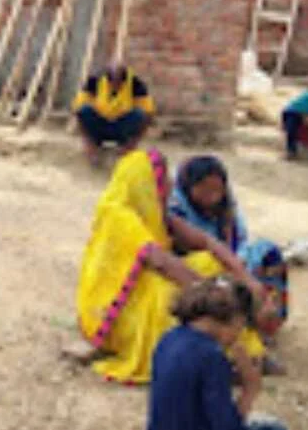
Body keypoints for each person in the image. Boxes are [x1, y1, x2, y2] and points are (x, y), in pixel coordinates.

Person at [75, 149, 266, 385]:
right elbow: (160, 262)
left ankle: (235, 347)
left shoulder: (154, 209)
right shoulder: (119, 215)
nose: (169, 184)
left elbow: (205, 241)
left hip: (146, 283)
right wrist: (210, 292)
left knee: (209, 262)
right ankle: (215, 357)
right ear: (144, 181)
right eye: (163, 178)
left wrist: (243, 276)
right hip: (119, 304)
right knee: (172, 300)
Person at [144, 278, 289, 430]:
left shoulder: (170, 337)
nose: (239, 335)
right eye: (241, 326)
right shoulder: (211, 356)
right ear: (235, 319)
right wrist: (250, 389)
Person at [168, 157, 289, 340]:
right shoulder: (176, 210)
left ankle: (267, 322)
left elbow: (239, 237)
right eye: (205, 189)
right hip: (198, 266)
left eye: (217, 190)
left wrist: (239, 259)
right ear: (189, 186)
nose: (213, 196)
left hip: (230, 258)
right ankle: (242, 328)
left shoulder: (226, 207)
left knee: (268, 253)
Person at [73, 64, 157, 164]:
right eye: (112, 83)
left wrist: (133, 143)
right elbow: (77, 109)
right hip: (99, 126)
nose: (115, 86)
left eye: (119, 83)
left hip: (121, 128)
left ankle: (124, 146)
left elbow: (149, 114)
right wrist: (87, 142)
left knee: (139, 114)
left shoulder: (136, 84)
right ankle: (94, 145)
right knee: (84, 110)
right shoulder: (94, 80)